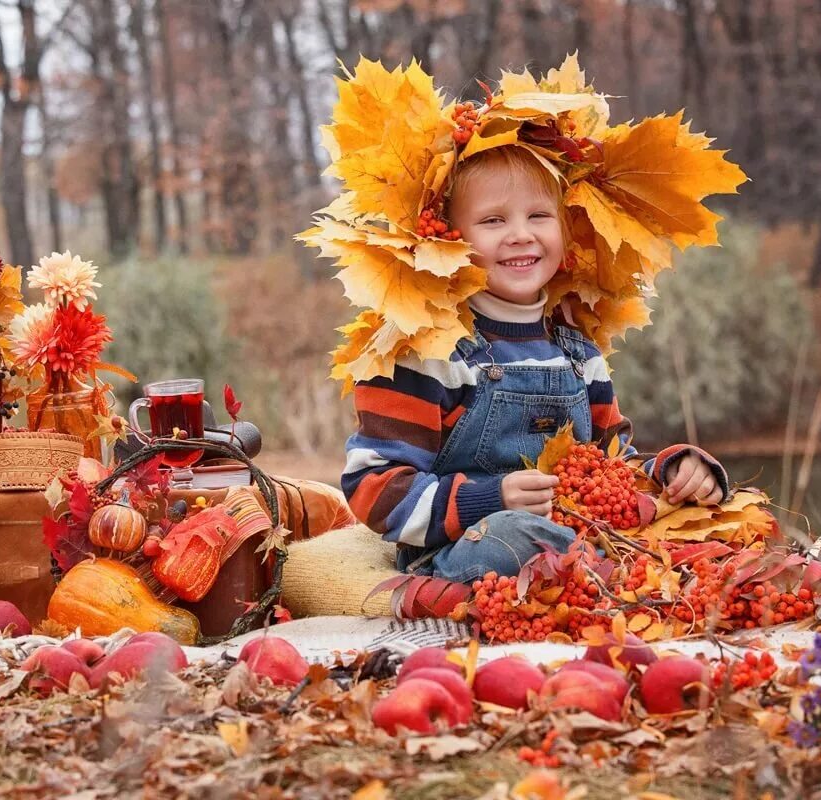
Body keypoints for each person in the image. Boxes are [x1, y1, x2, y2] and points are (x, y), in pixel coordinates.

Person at [299, 56, 746, 585]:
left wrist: (673, 472)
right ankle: (601, 573)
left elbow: (613, 471)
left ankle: (607, 571)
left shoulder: (579, 356)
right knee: (522, 540)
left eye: (538, 216)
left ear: (566, 229)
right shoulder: (428, 351)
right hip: (466, 547)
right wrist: (487, 498)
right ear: (445, 238)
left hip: (585, 534)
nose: (520, 235)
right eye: (492, 221)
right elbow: (374, 488)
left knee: (730, 513)